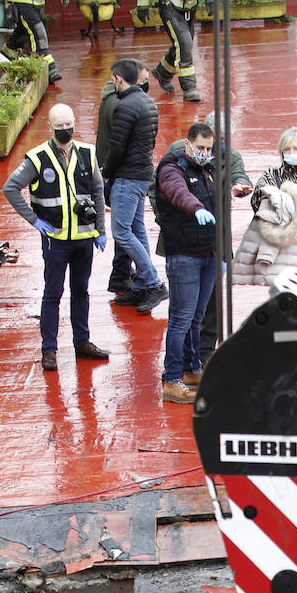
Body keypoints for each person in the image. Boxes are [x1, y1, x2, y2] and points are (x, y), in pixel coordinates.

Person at [3, 103, 108, 372]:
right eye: (59, 126)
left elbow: (97, 191)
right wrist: (34, 220)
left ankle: (82, 342)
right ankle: (49, 349)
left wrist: (101, 230)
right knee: (53, 293)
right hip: (56, 240)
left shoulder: (87, 153)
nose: (65, 129)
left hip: (84, 238)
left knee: (81, 291)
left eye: (68, 124)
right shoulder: (37, 158)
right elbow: (10, 187)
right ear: (50, 127)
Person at [154, 122, 219, 405]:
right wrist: (197, 209)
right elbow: (179, 193)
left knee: (197, 316)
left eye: (209, 148)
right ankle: (171, 378)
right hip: (184, 255)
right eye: (201, 148)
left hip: (208, 253)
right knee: (181, 318)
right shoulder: (172, 168)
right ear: (188, 144)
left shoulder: (207, 171)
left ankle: (192, 369)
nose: (205, 153)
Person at [102, 59, 167, 315]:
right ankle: (141, 283)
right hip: (142, 174)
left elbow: (117, 147)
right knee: (137, 228)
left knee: (120, 230)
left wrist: (106, 174)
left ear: (118, 79)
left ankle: (152, 281)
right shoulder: (148, 102)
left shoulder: (124, 106)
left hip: (127, 177)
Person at [235, 130, 297, 285]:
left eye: (295, 148)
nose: (291, 152)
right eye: (287, 149)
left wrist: (292, 210)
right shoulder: (271, 174)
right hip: (278, 241)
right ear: (281, 151)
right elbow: (257, 202)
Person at [96, 61, 151, 295]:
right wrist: (106, 173)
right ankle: (143, 277)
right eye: (142, 81)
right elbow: (118, 146)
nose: (145, 86)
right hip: (121, 174)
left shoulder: (120, 102)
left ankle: (131, 276)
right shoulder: (121, 105)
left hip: (124, 173)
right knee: (125, 230)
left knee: (130, 228)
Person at [136, 0, 212, 102]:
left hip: (189, 5)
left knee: (184, 45)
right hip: (168, 5)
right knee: (184, 43)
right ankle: (189, 87)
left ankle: (162, 73)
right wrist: (142, 6)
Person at [0, 0, 68, 85]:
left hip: (36, 2)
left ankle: (7, 52)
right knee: (38, 33)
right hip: (20, 0)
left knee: (22, 32)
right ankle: (50, 68)